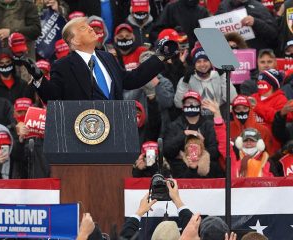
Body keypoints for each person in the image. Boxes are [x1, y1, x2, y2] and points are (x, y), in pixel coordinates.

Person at [23, 17, 175, 102]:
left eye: (88, 26)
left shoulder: (107, 57)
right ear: (74, 41)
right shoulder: (62, 66)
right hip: (84, 135)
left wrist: (160, 56)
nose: (90, 29)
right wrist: (39, 78)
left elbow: (131, 80)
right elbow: (53, 96)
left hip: (115, 128)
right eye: (83, 28)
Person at [163, 90, 222, 178]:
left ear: (200, 106)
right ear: (182, 106)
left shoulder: (209, 125)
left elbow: (216, 151)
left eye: (194, 102)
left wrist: (198, 153)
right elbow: (167, 151)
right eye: (188, 102)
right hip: (180, 172)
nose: (191, 105)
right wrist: (185, 134)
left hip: (206, 173)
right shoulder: (173, 126)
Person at [174, 47, 237, 117]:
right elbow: (179, 104)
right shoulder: (187, 79)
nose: (202, 64)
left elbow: (232, 100)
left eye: (205, 61)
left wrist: (223, 76)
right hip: (197, 118)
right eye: (198, 61)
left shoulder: (219, 76)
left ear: (211, 63)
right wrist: (185, 82)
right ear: (194, 64)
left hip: (219, 115)